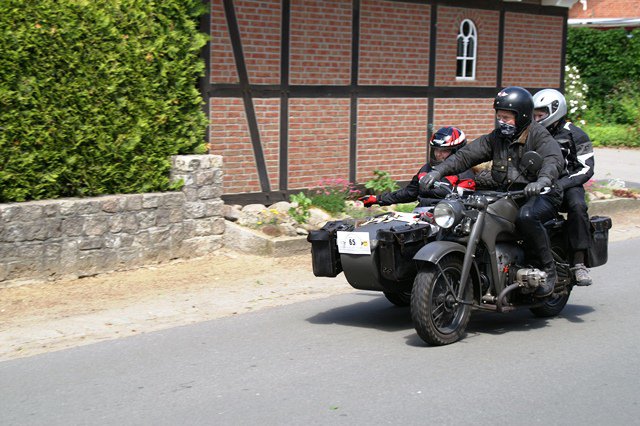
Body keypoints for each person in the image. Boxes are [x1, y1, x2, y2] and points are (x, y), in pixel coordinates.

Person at [419, 87, 564, 298]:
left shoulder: (539, 136)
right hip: (508, 194)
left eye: (506, 117)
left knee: (526, 217)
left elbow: (553, 160)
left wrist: (542, 180)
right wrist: (438, 171)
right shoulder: (497, 138)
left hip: (541, 193)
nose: (501, 122)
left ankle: (548, 269)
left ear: (522, 116)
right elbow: (466, 156)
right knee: (467, 210)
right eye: (499, 117)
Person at [533, 88, 595, 286]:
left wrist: (562, 184)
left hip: (568, 185)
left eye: (540, 115)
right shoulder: (532, 133)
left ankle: (579, 263)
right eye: (534, 115)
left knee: (578, 206)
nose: (536, 119)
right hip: (539, 185)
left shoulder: (576, 134)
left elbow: (586, 168)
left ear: (555, 111)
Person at [358, 126, 476, 208]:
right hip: (422, 215)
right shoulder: (426, 169)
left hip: (446, 218)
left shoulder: (464, 173)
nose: (438, 154)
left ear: (457, 151)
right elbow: (409, 193)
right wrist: (378, 199)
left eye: (444, 151)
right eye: (436, 150)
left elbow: (464, 203)